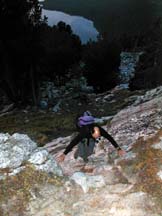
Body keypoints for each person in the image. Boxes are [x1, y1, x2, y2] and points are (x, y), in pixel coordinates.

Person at [57, 111, 126, 162]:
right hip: (81, 127)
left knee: (89, 152)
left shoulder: (100, 130)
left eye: (98, 136)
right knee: (81, 147)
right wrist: (64, 154)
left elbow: (109, 137)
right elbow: (73, 142)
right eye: (96, 136)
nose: (97, 136)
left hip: (88, 126)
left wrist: (118, 149)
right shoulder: (83, 132)